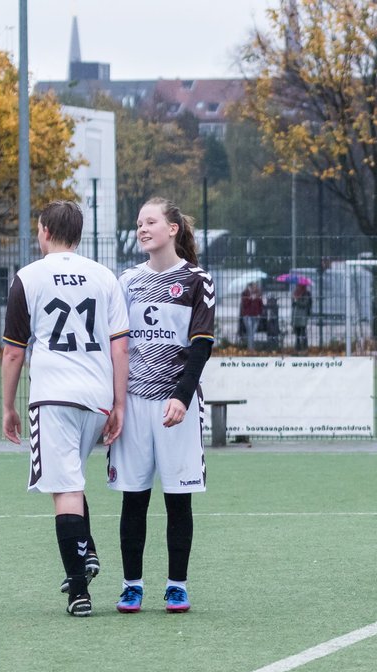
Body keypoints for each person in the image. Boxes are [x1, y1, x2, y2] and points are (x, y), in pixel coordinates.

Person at [1, 200, 130, 616]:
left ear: (43, 231)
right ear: (78, 234)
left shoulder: (28, 277)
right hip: (96, 396)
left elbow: (13, 353)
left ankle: (79, 589)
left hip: (54, 397)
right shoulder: (103, 276)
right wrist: (119, 404)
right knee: (72, 480)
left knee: (65, 488)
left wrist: (8, 405)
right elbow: (120, 345)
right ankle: (86, 552)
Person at [108, 198, 215, 615]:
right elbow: (115, 346)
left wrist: (182, 397)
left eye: (150, 221)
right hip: (133, 404)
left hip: (176, 407)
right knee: (133, 499)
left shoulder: (196, 280)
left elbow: (201, 345)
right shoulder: (126, 281)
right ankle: (131, 585)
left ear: (172, 228)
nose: (142, 228)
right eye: (138, 223)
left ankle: (176, 585)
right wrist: (112, 404)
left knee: (178, 499)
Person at [240, 281, 263, 351]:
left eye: (255, 286)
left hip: (256, 315)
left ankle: (251, 347)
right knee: (250, 332)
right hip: (247, 315)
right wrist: (250, 298)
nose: (254, 287)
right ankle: (250, 348)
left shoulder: (258, 293)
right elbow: (244, 304)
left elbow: (260, 305)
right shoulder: (245, 293)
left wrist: (259, 313)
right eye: (253, 286)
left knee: (253, 332)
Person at [291, 282, 312, 351]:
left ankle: (304, 347)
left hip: (303, 315)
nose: (297, 287)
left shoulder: (306, 293)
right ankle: (297, 347)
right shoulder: (295, 293)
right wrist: (293, 300)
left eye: (299, 285)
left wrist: (297, 300)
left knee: (303, 332)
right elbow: (293, 305)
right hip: (296, 315)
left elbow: (305, 304)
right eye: (297, 285)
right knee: (297, 333)